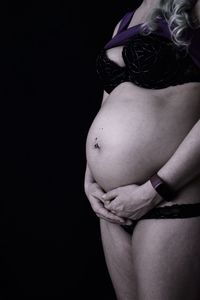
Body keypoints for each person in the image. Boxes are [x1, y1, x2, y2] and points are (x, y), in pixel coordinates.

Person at [84, 0, 200, 299]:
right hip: (112, 203)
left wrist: (154, 189)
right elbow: (109, 101)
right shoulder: (127, 19)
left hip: (168, 194)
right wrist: (90, 180)